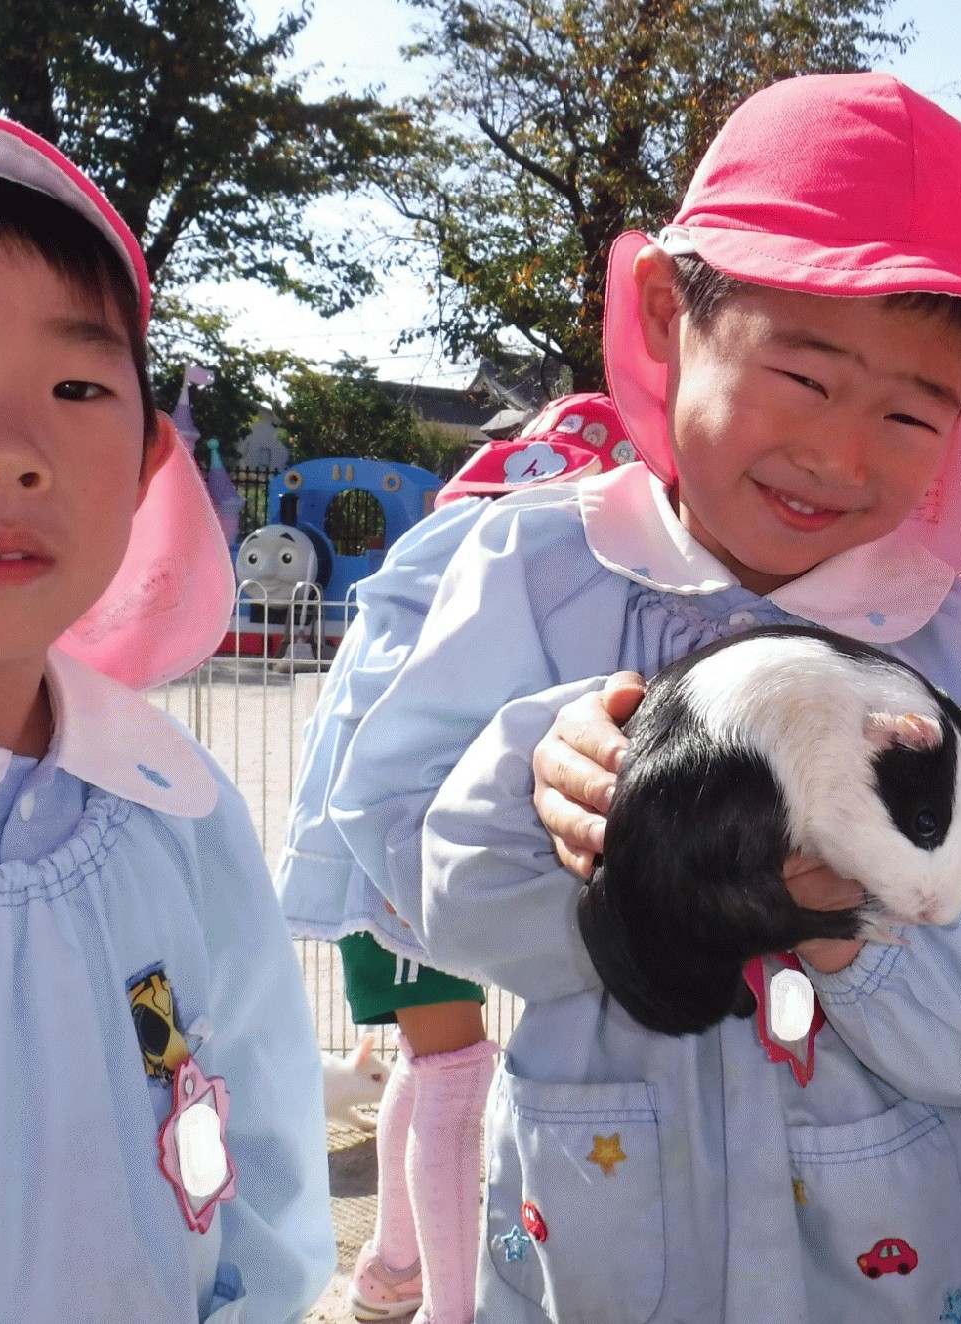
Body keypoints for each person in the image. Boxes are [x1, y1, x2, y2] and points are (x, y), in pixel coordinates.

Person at [303, 71, 961, 1323]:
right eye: (803, 375)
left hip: (916, 1269)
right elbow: (414, 884)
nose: (840, 453)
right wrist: (540, 786)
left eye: (907, 409)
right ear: (669, 315)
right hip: (596, 1246)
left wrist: (842, 924)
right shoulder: (527, 576)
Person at [0, 104, 332, 1321]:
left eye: (74, 382)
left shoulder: (173, 807)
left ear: (151, 459)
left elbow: (257, 1167)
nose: (10, 452)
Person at [281, 417, 603, 1324]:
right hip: (405, 865)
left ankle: (391, 1271)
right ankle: (452, 1310)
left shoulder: (433, 559)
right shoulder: (494, 562)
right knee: (454, 1075)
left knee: (430, 1068)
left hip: (388, 862)